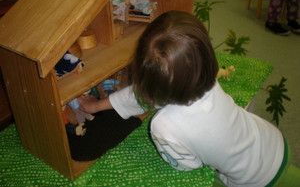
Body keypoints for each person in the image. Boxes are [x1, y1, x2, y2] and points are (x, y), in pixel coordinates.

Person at [78, 11, 300, 186]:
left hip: (255, 180)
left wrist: (95, 105)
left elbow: (189, 165)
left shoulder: (163, 125)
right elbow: (138, 95)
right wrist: (98, 105)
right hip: (275, 141)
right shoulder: (204, 76)